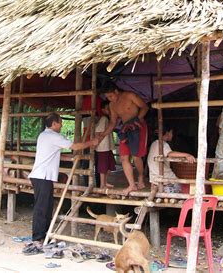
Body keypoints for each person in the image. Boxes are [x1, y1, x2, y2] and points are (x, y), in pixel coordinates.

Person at [24, 113, 98, 255]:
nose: (62, 125)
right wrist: (91, 142)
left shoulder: (43, 135)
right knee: (41, 208)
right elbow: (74, 146)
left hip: (43, 176)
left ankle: (44, 235)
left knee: (47, 206)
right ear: (54, 124)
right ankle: (37, 238)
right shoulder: (52, 136)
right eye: (60, 123)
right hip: (42, 176)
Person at [98, 83, 149, 195]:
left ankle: (140, 176)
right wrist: (103, 134)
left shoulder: (130, 96)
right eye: (107, 97)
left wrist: (136, 120)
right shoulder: (112, 105)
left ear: (116, 91)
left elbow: (145, 107)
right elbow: (113, 122)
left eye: (110, 96)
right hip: (125, 129)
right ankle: (132, 185)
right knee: (124, 157)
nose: (109, 99)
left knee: (136, 157)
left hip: (138, 126)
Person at [147, 126, 195, 193]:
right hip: (167, 181)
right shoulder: (163, 144)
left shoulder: (153, 144)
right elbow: (170, 154)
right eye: (171, 132)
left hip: (154, 181)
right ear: (167, 133)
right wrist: (187, 155)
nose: (172, 135)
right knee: (184, 187)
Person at [95, 101, 116, 189]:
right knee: (103, 167)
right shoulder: (104, 118)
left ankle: (105, 182)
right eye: (108, 109)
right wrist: (97, 143)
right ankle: (102, 184)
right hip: (103, 147)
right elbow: (98, 132)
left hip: (107, 146)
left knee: (109, 165)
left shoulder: (108, 119)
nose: (110, 110)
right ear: (103, 110)